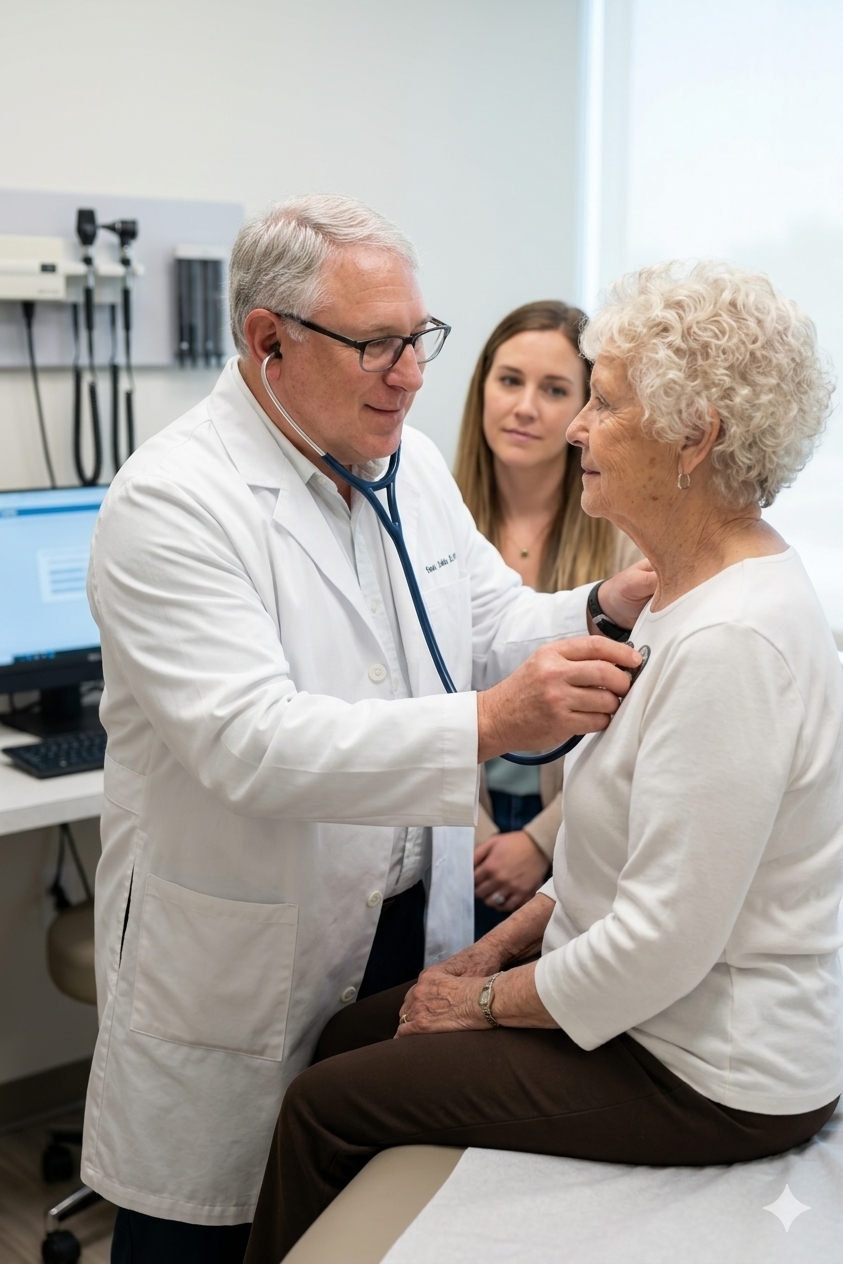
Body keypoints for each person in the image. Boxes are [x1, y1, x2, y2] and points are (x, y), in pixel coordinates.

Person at [80, 195, 652, 1264]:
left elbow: (488, 625)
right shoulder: (174, 502)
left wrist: (603, 604)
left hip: (402, 926)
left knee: (345, 1217)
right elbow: (254, 743)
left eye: (419, 339)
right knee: (206, 1234)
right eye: (377, 345)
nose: (412, 373)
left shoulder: (408, 467)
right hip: (245, 953)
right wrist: (491, 724)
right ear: (268, 343)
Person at [244, 260, 843, 1264]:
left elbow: (659, 943)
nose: (574, 431)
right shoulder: (682, 593)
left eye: (601, 405)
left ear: (695, 436)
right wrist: (494, 949)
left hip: (708, 1068)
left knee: (320, 1106)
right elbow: (614, 861)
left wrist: (475, 1003)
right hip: (653, 1010)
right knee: (351, 1041)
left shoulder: (736, 639)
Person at [453, 301, 640, 935]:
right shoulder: (432, 526)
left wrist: (537, 842)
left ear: (587, 410)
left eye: (555, 389)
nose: (526, 406)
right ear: (482, 387)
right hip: (452, 823)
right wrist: (474, 834)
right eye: (509, 381)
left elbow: (630, 724)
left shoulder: (622, 542)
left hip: (574, 825)